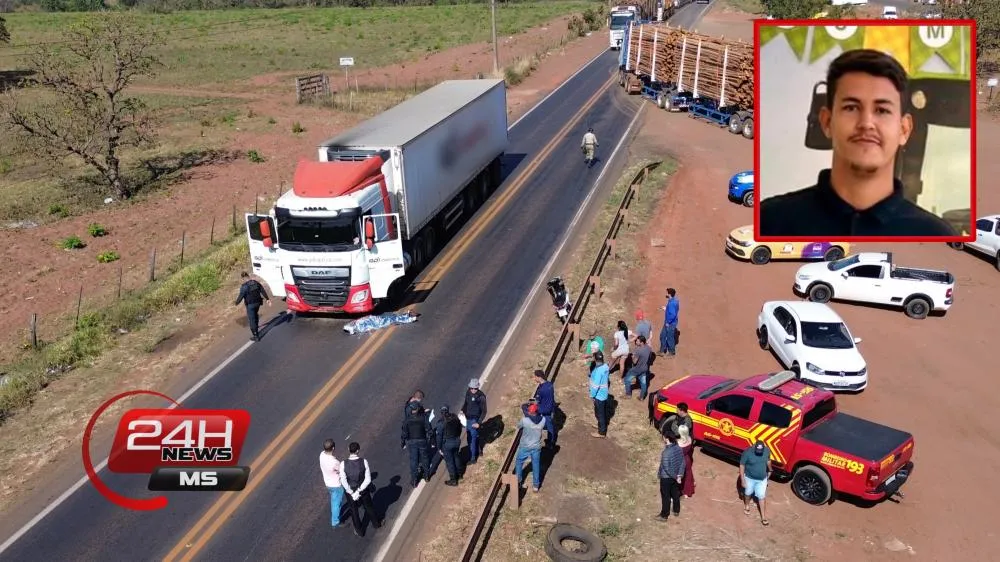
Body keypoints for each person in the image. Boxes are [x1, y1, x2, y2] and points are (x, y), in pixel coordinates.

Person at [759, 48, 955, 238]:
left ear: (904, 129)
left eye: (882, 110)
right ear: (827, 122)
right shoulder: (770, 220)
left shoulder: (936, 234)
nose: (866, 124)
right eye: (851, 107)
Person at [340, 442, 382, 537]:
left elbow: (343, 480)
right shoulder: (364, 461)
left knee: (354, 511)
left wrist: (351, 492)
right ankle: (376, 524)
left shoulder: (343, 464)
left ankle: (359, 531)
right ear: (358, 450)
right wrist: (359, 491)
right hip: (363, 490)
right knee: (369, 507)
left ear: (348, 450)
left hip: (350, 491)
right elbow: (368, 479)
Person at [513, 402, 547, 493]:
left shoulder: (525, 420)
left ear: (529, 412)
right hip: (536, 446)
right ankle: (536, 485)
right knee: (536, 465)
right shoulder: (543, 420)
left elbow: (518, 426)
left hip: (525, 446)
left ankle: (519, 481)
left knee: (519, 462)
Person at [740, 440, 773, 527]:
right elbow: (742, 465)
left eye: (760, 451)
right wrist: (742, 480)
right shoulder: (747, 453)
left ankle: (763, 517)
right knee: (748, 493)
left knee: (761, 496)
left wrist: (770, 469)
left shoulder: (767, 450)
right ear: (754, 447)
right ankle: (746, 505)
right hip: (749, 478)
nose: (759, 453)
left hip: (762, 479)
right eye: (757, 451)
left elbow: (768, 460)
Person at [401, 401, 433, 487]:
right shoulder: (423, 418)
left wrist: (403, 442)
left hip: (412, 442)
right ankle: (427, 476)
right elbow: (429, 429)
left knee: (414, 461)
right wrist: (430, 439)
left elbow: (404, 433)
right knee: (425, 458)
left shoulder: (407, 420)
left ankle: (414, 480)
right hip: (422, 440)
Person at [434, 405, 467, 486]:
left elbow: (439, 437)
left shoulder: (441, 423)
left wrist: (439, 448)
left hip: (447, 444)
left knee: (449, 462)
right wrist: (457, 437)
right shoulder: (455, 417)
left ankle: (453, 479)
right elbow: (459, 428)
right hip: (456, 440)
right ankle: (460, 474)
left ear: (441, 413)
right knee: (456, 456)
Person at [233, 272, 271, 341]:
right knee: (255, 315)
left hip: (250, 305)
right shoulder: (255, 282)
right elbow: (262, 290)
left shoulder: (244, 287)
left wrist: (236, 303)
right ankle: (256, 327)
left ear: (243, 278)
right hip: (258, 303)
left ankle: (256, 336)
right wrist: (267, 299)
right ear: (248, 276)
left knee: (252, 320)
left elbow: (240, 296)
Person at [657, 429, 685, 521]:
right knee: (675, 493)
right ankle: (676, 510)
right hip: (675, 476)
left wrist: (676, 477)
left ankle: (664, 515)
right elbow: (682, 462)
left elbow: (667, 468)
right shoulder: (679, 448)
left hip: (667, 478)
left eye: (664, 437)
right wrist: (679, 475)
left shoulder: (666, 453)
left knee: (666, 496)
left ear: (666, 438)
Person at [319, 439, 345, 528]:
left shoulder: (321, 455)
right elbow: (342, 470)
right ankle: (335, 521)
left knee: (334, 501)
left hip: (328, 483)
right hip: (336, 484)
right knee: (337, 503)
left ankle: (335, 518)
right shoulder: (334, 462)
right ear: (333, 448)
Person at [461, 378, 488, 464]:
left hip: (474, 420)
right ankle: (479, 451)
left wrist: (478, 423)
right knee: (471, 437)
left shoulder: (481, 396)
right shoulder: (468, 392)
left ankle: (472, 458)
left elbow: (484, 411)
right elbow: (466, 403)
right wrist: (462, 410)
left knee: (472, 439)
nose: (473, 390)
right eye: (471, 388)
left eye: (475, 388)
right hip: (467, 419)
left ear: (478, 388)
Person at [532, 370, 557, 447]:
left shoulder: (541, 390)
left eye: (535, 377)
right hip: (551, 408)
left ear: (539, 377)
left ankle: (550, 443)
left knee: (548, 426)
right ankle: (551, 441)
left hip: (544, 410)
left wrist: (532, 405)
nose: (534, 379)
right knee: (550, 425)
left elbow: (536, 402)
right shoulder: (550, 385)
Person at [624, 335, 653, 400]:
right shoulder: (648, 348)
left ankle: (628, 395)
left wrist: (632, 357)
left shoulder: (639, 351)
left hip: (637, 369)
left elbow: (634, 362)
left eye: (637, 341)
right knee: (643, 383)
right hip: (645, 368)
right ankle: (642, 397)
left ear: (642, 342)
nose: (636, 341)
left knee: (627, 379)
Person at [589, 351, 610, 438]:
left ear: (595, 359)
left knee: (600, 413)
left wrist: (592, 395)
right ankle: (600, 424)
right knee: (601, 412)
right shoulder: (605, 367)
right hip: (604, 394)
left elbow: (595, 385)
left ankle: (601, 432)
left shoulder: (598, 371)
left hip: (598, 395)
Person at [677, 425, 696, 498]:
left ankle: (679, 491)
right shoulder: (690, 439)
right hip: (687, 459)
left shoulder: (678, 443)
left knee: (679, 476)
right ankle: (687, 492)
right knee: (688, 475)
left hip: (680, 461)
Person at [660, 288, 679, 356]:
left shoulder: (672, 303)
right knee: (662, 335)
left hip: (670, 323)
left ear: (669, 294)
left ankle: (671, 352)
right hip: (668, 322)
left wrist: (668, 322)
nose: (666, 294)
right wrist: (666, 308)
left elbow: (673, 314)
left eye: (667, 293)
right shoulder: (673, 300)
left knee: (670, 337)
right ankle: (662, 350)